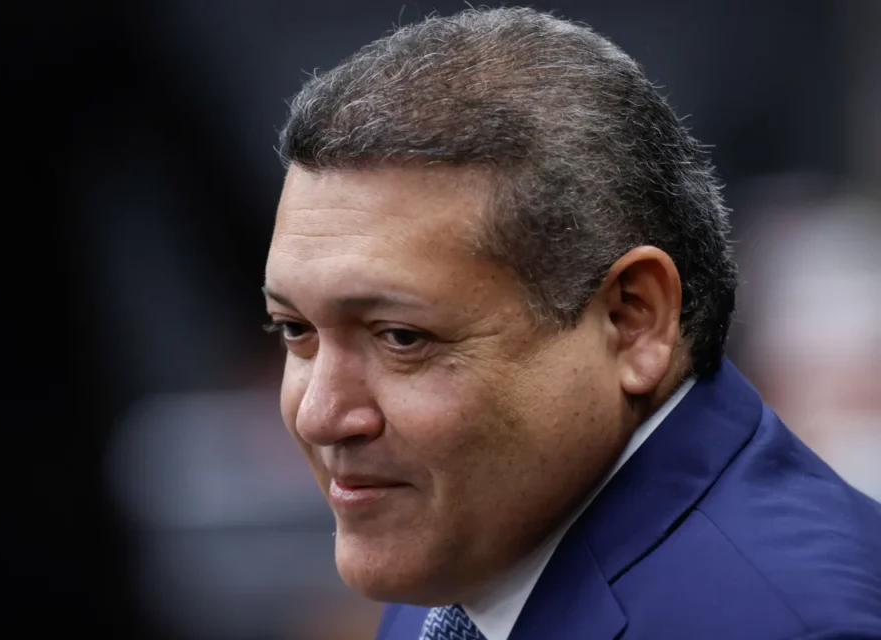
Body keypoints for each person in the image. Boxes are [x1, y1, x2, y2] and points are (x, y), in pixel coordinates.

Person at [262, 7, 881, 640]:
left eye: (401, 338)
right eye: (294, 329)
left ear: (633, 321)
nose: (318, 416)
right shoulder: (473, 546)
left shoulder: (791, 625)